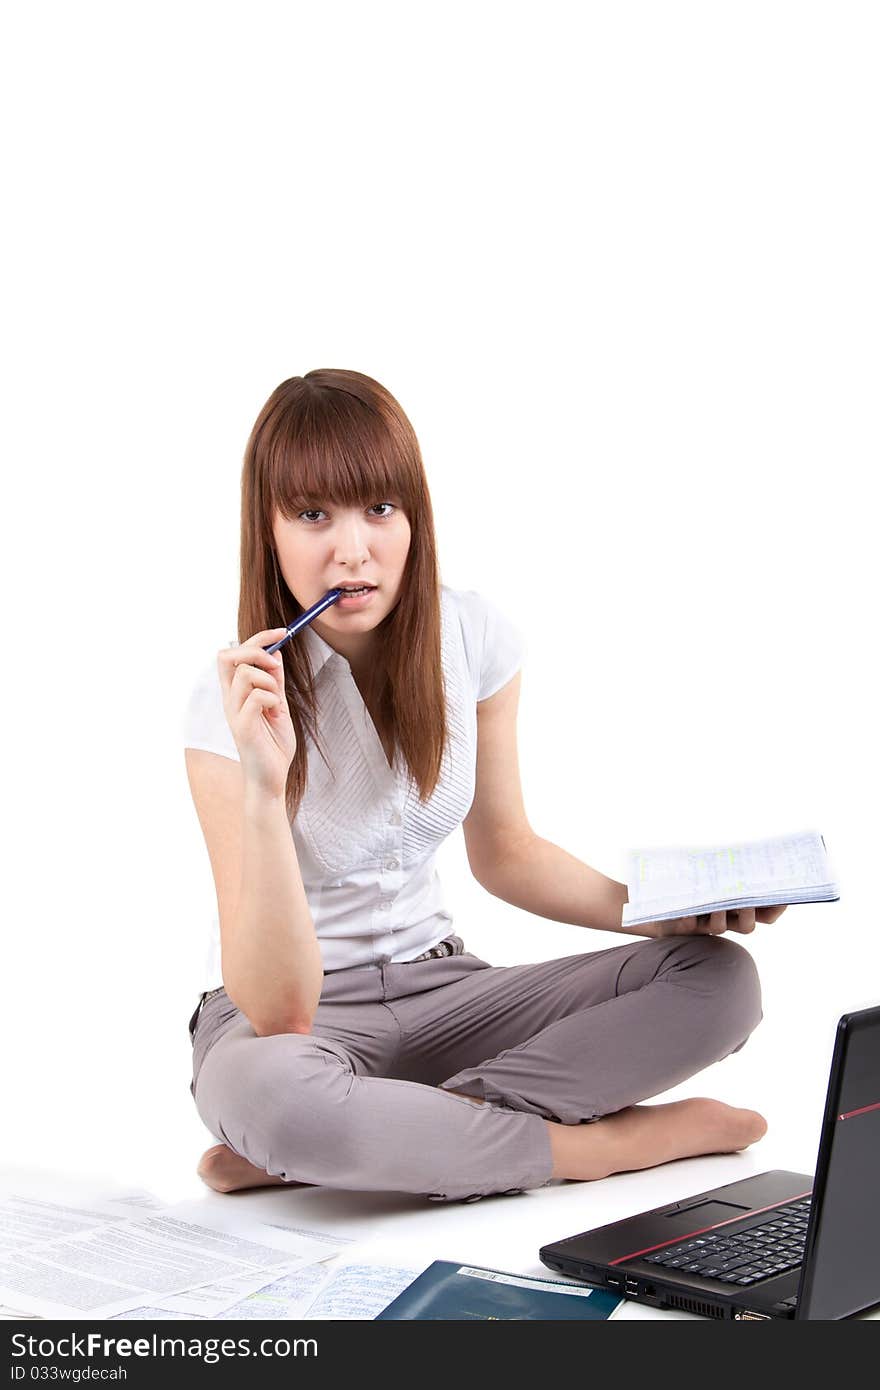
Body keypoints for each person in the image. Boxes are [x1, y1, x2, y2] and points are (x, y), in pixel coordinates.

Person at [182, 368, 782, 1204]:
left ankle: (370, 1141)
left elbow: (508, 855)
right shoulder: (226, 708)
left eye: (379, 510)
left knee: (720, 982)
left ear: (414, 518)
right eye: (313, 514)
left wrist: (659, 914)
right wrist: (261, 783)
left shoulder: (474, 638)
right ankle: (596, 1148)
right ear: (269, 530)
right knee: (276, 1097)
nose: (351, 551)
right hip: (293, 1028)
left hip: (447, 993)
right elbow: (281, 1011)